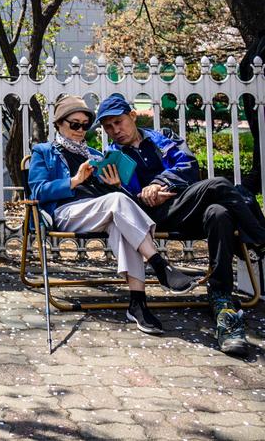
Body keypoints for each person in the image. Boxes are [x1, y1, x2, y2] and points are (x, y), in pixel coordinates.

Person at [96, 93, 265, 356]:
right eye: (108, 127)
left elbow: (189, 165)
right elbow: (121, 204)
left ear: (132, 116)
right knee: (220, 184)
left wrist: (161, 183)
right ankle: (259, 240)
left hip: (185, 207)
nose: (115, 131)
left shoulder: (162, 137)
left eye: (119, 122)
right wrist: (141, 193)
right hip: (150, 217)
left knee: (219, 213)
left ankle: (222, 299)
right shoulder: (113, 158)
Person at [28, 95, 198, 334]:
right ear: (58, 124)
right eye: (74, 124)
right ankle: (160, 265)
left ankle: (138, 305)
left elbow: (118, 195)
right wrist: (74, 181)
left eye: (85, 125)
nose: (80, 130)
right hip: (67, 211)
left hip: (103, 208)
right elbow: (37, 190)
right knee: (116, 203)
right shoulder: (44, 152)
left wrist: (116, 184)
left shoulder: (97, 154)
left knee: (120, 220)